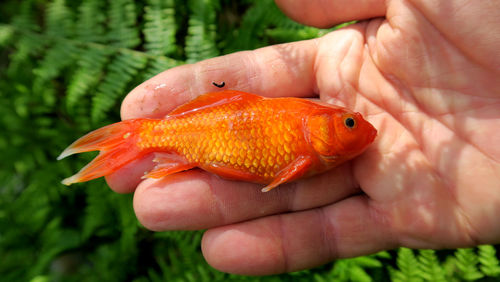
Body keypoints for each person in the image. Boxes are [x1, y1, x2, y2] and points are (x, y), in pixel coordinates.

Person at [105, 0, 500, 275]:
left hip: (217, 142)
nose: (360, 129)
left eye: (351, 123)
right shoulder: (306, 145)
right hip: (203, 134)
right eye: (348, 124)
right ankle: (139, 138)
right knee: (156, 144)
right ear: (322, 125)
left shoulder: (313, 150)